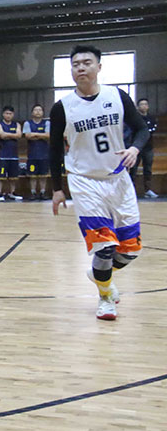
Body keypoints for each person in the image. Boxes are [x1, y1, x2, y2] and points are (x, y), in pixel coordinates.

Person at [50, 44, 150, 321]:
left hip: (118, 180)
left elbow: (142, 129)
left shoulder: (117, 96)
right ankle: (105, 298)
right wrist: (57, 188)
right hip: (85, 182)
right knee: (104, 248)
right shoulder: (62, 107)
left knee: (130, 249)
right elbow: (54, 149)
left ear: (99, 67)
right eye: (75, 64)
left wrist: (135, 149)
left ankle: (98, 274)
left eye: (86, 62)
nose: (80, 68)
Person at [129, 98, 159, 198]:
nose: (144, 106)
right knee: (133, 169)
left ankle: (147, 190)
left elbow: (151, 130)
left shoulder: (151, 118)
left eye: (145, 104)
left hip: (148, 147)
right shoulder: (135, 119)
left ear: (148, 106)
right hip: (136, 147)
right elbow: (136, 130)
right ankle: (131, 190)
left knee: (148, 169)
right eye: (141, 104)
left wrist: (144, 131)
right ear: (138, 107)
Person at [0, 105, 23, 201]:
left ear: (13, 114)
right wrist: (13, 135)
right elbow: (1, 135)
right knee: (0, 176)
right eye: (6, 113)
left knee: (13, 177)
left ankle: (12, 192)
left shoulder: (17, 124)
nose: (8, 115)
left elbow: (19, 135)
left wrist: (7, 135)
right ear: (3, 114)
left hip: (14, 155)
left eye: (10, 113)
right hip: (2, 155)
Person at [22, 103, 50, 200]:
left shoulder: (47, 123)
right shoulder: (27, 123)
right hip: (32, 154)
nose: (38, 112)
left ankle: (42, 192)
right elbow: (28, 136)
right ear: (32, 112)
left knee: (43, 175)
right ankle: (33, 192)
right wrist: (41, 135)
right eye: (36, 110)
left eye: (40, 110)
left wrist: (34, 135)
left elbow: (48, 135)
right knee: (32, 175)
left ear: (43, 112)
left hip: (44, 154)